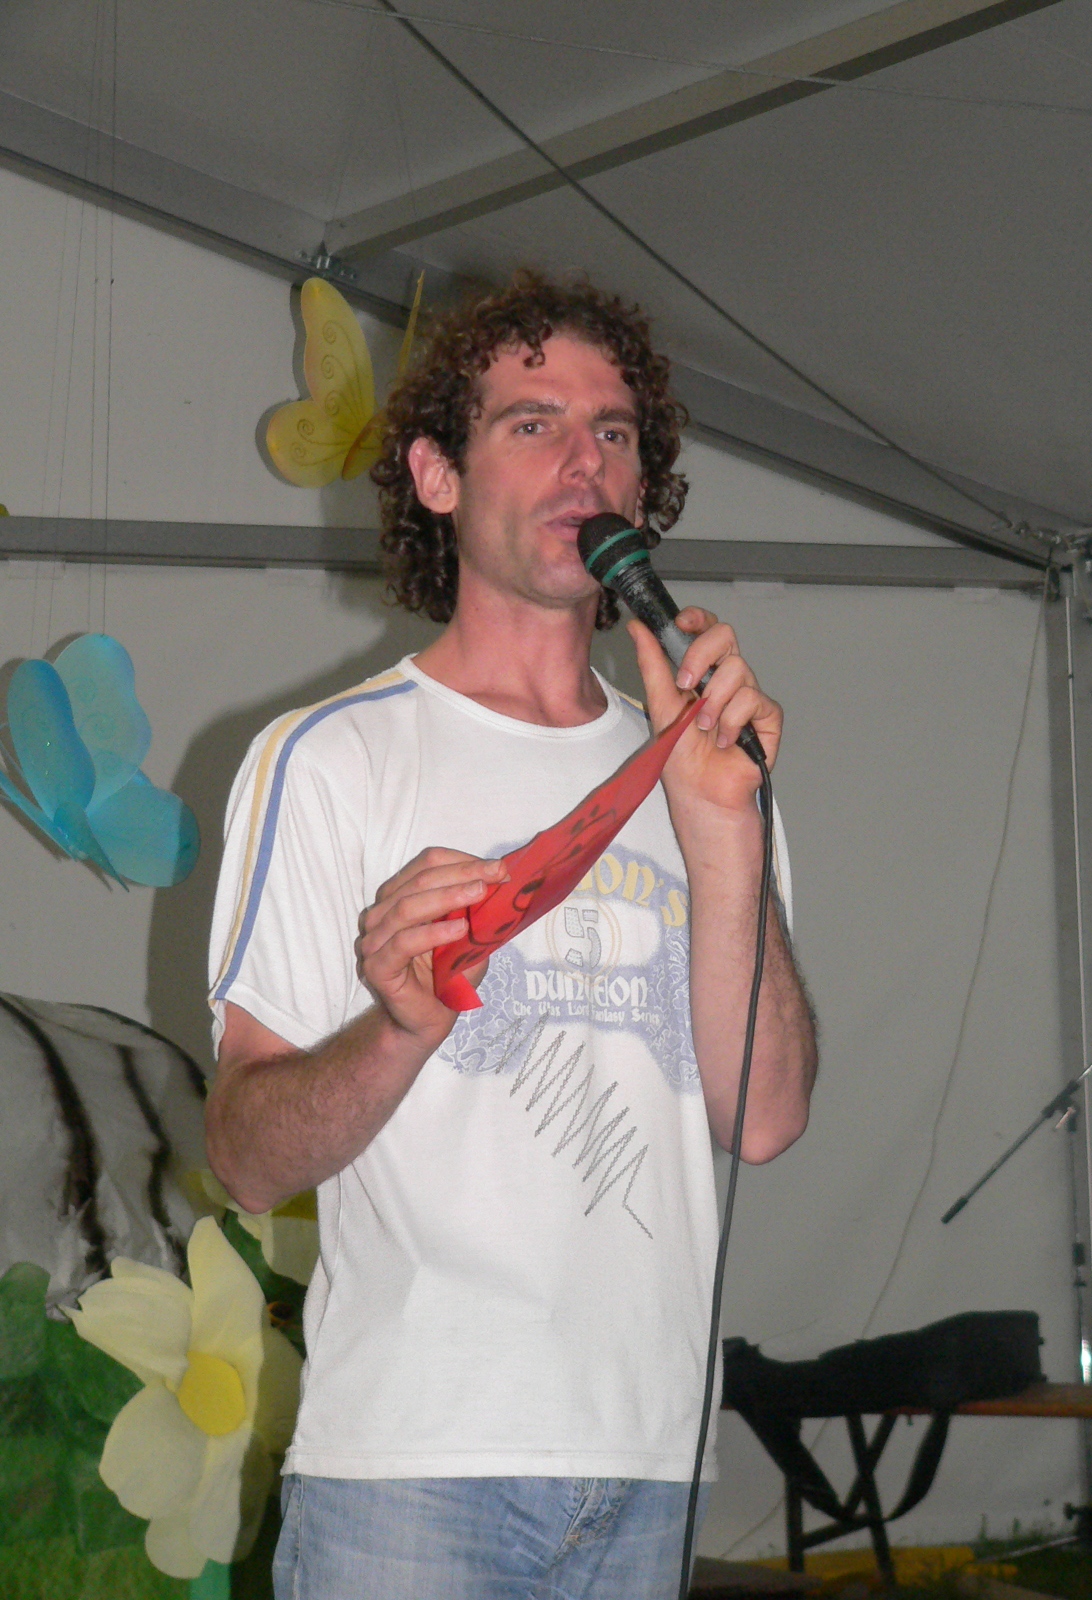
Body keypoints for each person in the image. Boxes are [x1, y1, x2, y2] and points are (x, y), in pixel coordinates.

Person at [205, 270, 817, 1600]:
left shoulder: (708, 763)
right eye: (532, 423)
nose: (583, 460)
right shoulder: (330, 760)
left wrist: (726, 834)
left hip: (652, 1463)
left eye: (614, 431)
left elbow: (765, 1118)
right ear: (436, 475)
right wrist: (402, 1027)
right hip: (414, 1470)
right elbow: (245, 1157)